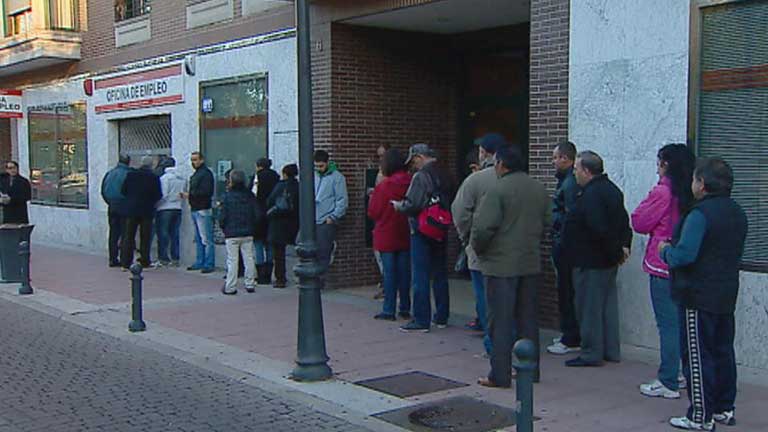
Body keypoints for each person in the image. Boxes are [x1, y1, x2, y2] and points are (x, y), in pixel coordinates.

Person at [661, 158, 747, 431]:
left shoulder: (700, 214)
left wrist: (666, 251)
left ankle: (700, 415)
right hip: (725, 292)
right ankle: (724, 407)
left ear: (702, 184)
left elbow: (684, 255)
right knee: (722, 351)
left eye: (695, 179)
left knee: (697, 355)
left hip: (697, 294)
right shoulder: (738, 212)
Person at [470, 146, 551, 387]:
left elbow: (483, 228)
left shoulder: (497, 190)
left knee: (500, 321)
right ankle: (531, 370)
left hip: (500, 264)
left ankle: (500, 373)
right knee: (528, 320)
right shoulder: (538, 188)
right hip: (529, 261)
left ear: (501, 164)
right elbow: (548, 221)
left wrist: (478, 249)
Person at [631, 144, 695, 399]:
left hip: (662, 263)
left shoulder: (663, 191)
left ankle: (668, 379)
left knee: (668, 324)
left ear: (665, 164)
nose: (657, 169)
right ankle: (682, 373)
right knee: (682, 324)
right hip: (686, 264)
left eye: (659, 163)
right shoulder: (691, 191)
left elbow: (639, 221)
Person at [561, 151, 632, 367]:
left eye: (576, 169)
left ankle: (591, 352)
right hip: (607, 260)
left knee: (589, 308)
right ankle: (610, 349)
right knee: (607, 307)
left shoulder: (591, 195)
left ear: (586, 170)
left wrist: (615, 251)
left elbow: (598, 228)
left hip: (590, 260)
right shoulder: (612, 190)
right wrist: (622, 249)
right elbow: (623, 223)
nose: (574, 174)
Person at [451, 133, 506, 357]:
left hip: (481, 250)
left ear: (485, 153)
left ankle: (494, 346)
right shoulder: (520, 179)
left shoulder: (476, 180)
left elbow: (460, 213)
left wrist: (468, 239)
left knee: (485, 298)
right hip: (511, 251)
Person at [393, 143, 452, 333]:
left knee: (420, 275)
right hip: (441, 226)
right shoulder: (445, 173)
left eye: (413, 161)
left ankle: (421, 319)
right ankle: (441, 316)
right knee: (440, 274)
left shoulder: (421, 176)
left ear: (419, 157)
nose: (413, 166)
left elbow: (413, 204)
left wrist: (398, 206)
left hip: (423, 229)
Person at [547, 141, 582, 355]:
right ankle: (569, 334)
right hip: (564, 243)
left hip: (565, 246)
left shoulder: (569, 184)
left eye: (555, 157)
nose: (553, 162)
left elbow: (568, 216)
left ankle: (570, 337)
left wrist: (557, 230)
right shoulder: (566, 181)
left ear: (565, 159)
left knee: (566, 291)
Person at [368, 149, 412, 321]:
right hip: (406, 231)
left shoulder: (384, 186)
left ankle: (389, 309)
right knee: (404, 273)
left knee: (389, 273)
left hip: (386, 232)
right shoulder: (411, 182)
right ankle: (405, 308)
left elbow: (373, 212)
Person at [219, 170, 258, 295]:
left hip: (231, 232)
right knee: (249, 258)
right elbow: (256, 213)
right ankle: (250, 283)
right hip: (247, 231)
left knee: (232, 260)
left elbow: (223, 216)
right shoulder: (249, 195)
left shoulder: (227, 196)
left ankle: (230, 286)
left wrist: (223, 227)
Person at [120, 156, 162, 269]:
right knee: (145, 237)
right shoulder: (153, 177)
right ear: (151, 165)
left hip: (132, 209)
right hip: (147, 210)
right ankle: (144, 260)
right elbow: (158, 195)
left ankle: (125, 262)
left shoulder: (131, 175)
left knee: (129, 236)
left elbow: (123, 191)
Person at [313, 150, 348, 279]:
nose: (318, 169)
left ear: (327, 163)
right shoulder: (313, 175)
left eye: (321, 166)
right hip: (312, 219)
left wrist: (333, 217)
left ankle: (320, 281)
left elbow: (342, 200)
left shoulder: (337, 178)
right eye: (316, 166)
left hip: (325, 220)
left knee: (323, 252)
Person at [266, 164, 300, 288]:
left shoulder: (280, 186)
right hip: (294, 222)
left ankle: (280, 279)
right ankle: (299, 276)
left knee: (279, 253)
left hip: (278, 223)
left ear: (284, 174)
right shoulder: (299, 186)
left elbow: (270, 201)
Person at [183, 152, 215, 273]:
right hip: (196, 208)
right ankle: (200, 261)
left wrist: (190, 195)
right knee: (199, 237)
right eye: (192, 160)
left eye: (195, 160)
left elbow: (206, 192)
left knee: (206, 238)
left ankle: (208, 263)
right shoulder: (198, 174)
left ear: (202, 160)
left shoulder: (205, 174)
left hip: (203, 208)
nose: (193, 162)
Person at [101, 154, 133, 267]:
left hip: (112, 205)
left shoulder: (110, 173)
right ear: (128, 162)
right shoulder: (128, 174)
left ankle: (112, 258)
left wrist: (110, 202)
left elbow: (103, 190)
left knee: (113, 233)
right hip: (124, 205)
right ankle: (124, 259)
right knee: (125, 233)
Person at [252, 158, 280, 285]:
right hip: (272, 214)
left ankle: (261, 274)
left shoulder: (257, 177)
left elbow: (253, 194)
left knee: (258, 244)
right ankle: (268, 273)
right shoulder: (276, 177)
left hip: (258, 214)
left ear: (258, 166)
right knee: (269, 245)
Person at [155, 157, 186, 267]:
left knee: (163, 234)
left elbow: (163, 195)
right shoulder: (181, 178)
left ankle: (163, 258)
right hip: (178, 207)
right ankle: (175, 258)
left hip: (164, 208)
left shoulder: (165, 178)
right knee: (175, 234)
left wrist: (156, 204)